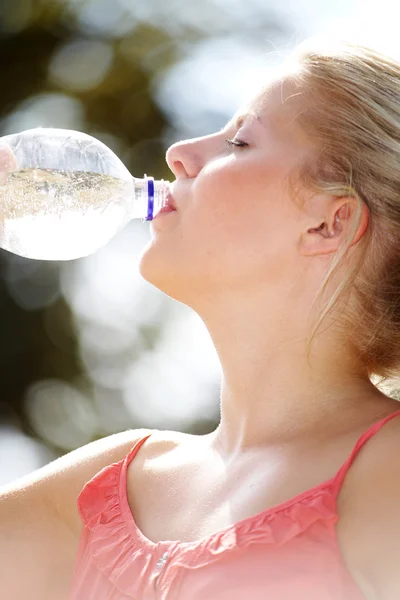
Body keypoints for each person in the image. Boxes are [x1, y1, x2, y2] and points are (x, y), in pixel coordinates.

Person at [2, 36, 400, 600]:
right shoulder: (103, 490)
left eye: (238, 141)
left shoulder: (388, 480)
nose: (180, 153)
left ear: (327, 225)